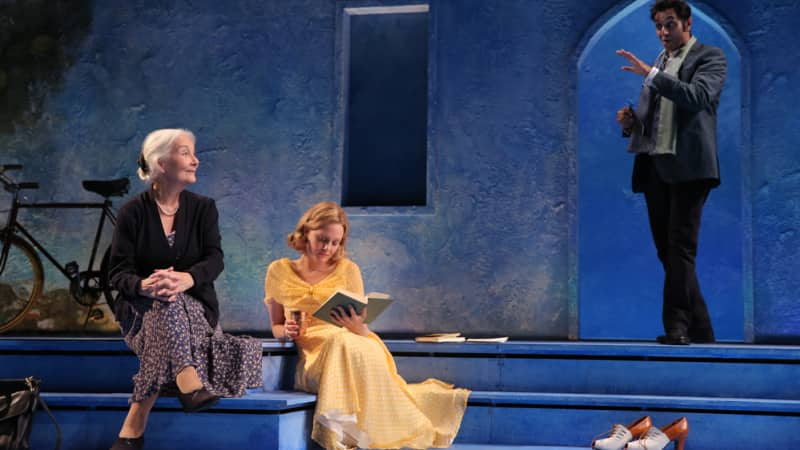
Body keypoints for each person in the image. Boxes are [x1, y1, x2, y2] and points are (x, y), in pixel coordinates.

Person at [263, 201, 470, 450]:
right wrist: (286, 331)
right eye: (322, 239)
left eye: (335, 242)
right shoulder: (279, 270)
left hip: (351, 339)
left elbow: (361, 326)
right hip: (314, 353)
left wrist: (357, 326)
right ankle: (344, 435)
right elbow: (275, 325)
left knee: (356, 343)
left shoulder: (348, 270)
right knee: (341, 343)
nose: (328, 247)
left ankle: (352, 434)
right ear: (306, 232)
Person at [108, 129, 262, 450]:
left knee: (172, 296)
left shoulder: (204, 208)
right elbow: (117, 273)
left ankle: (134, 424)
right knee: (165, 298)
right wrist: (144, 285)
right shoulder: (132, 213)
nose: (195, 160)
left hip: (197, 313)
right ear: (162, 163)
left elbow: (215, 259)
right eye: (185, 153)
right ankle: (187, 380)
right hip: (140, 314)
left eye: (193, 153)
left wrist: (187, 279)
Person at [615, 0, 727, 345]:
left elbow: (697, 97)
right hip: (654, 164)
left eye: (670, 24)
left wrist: (651, 74)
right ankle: (702, 329)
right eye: (659, 26)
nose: (664, 32)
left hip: (690, 167)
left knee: (681, 248)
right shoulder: (662, 62)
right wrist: (632, 122)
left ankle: (677, 328)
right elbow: (659, 117)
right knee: (668, 251)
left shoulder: (709, 58)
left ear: (688, 23)